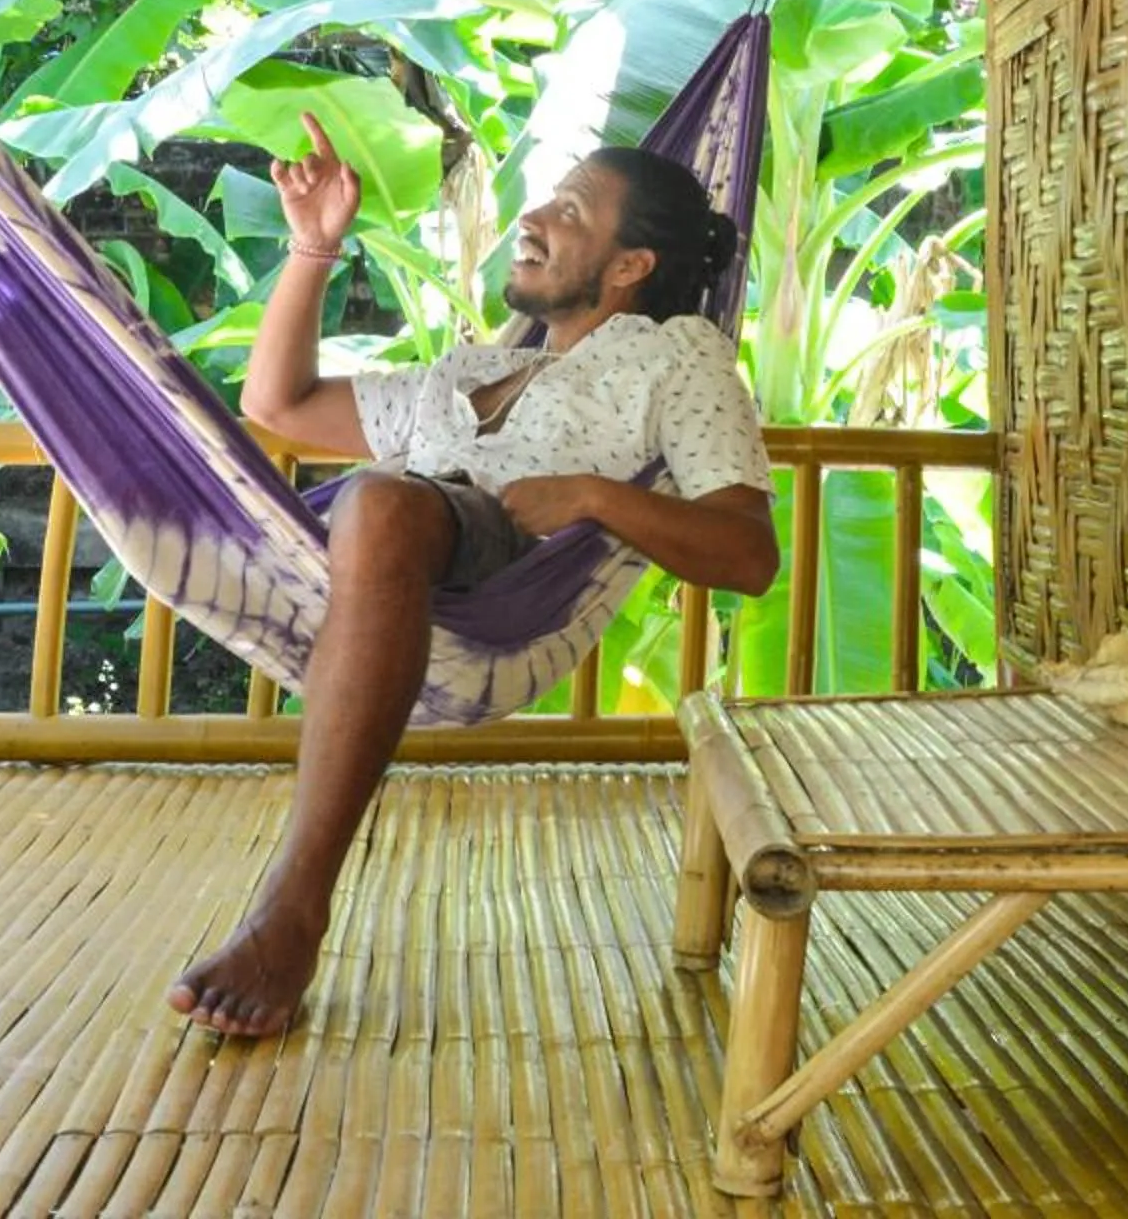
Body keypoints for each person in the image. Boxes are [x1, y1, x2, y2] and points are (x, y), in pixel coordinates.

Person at [167, 113, 780, 1037]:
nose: (532, 215)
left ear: (629, 268)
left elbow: (747, 552)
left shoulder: (676, 355)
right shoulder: (474, 365)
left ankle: (294, 907)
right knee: (370, 505)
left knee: (376, 502)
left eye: (570, 208)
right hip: (394, 553)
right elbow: (277, 403)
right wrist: (312, 246)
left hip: (508, 571)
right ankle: (288, 906)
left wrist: (592, 499)